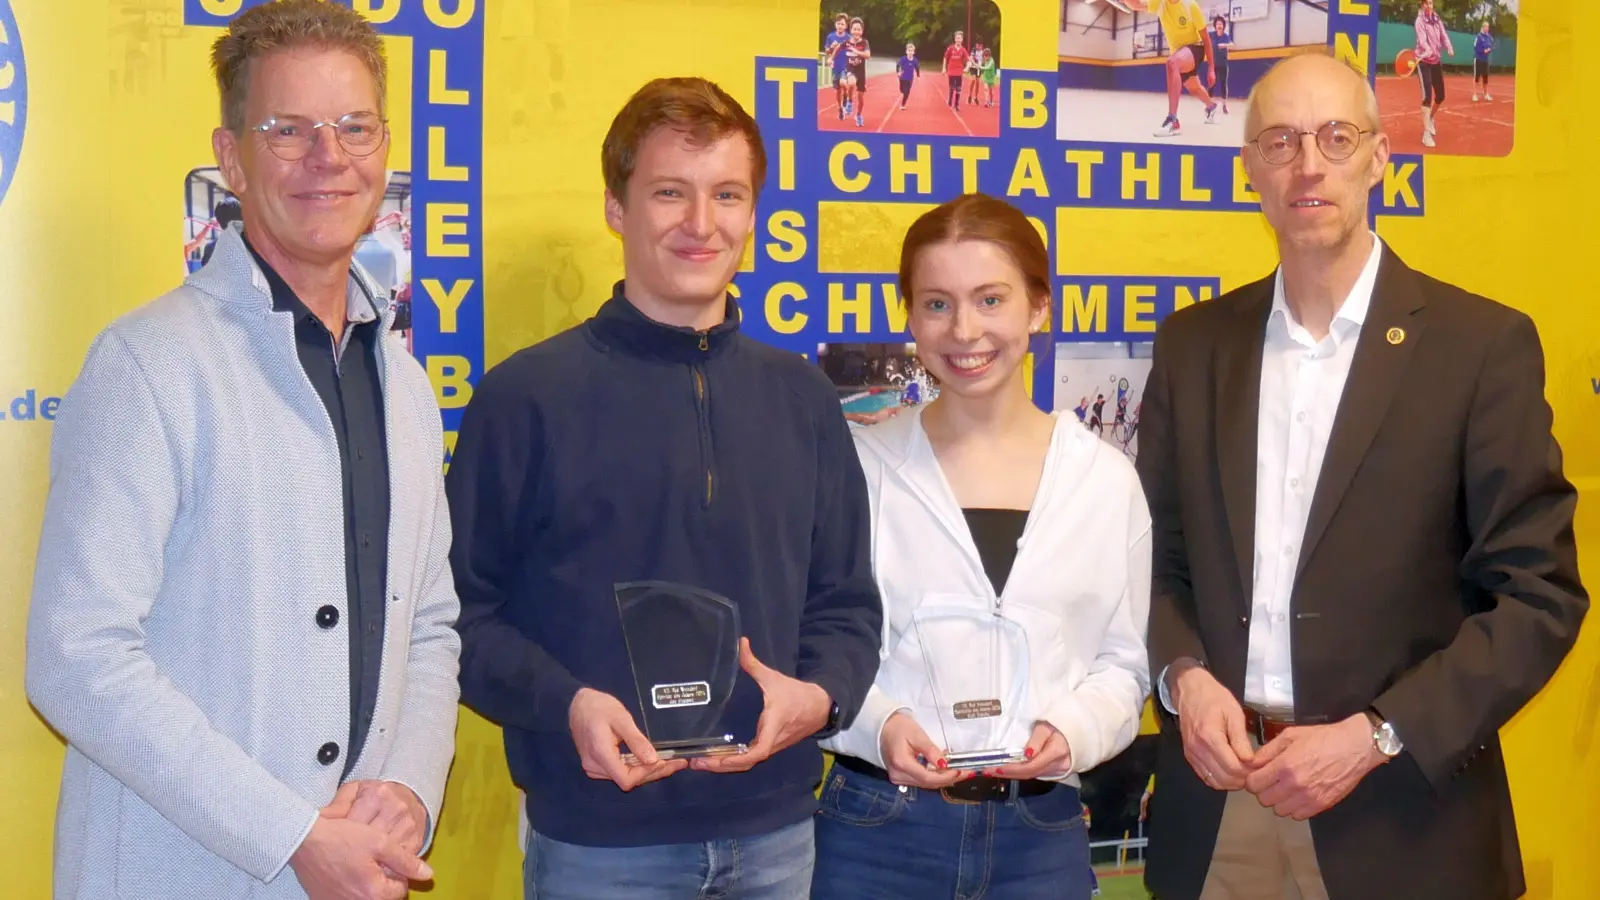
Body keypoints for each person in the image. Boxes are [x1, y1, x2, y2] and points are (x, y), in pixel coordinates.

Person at [24, 3, 462, 899]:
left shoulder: (406, 387)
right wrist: (292, 835)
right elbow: (77, 657)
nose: (327, 156)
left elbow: (429, 625)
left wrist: (410, 792)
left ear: (384, 149)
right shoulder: (147, 364)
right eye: (287, 129)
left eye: (353, 127)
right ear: (231, 158)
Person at [1137, 52, 1587, 900]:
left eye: (1335, 137)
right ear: (1250, 169)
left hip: (1404, 816)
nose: (1308, 164)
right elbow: (1153, 561)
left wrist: (1379, 735)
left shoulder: (1480, 347)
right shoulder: (1193, 348)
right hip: (1219, 812)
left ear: (1380, 157)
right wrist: (1182, 679)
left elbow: (1539, 597)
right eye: (1280, 141)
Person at [445, 76, 884, 900]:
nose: (701, 223)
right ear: (617, 207)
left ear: (754, 215)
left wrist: (821, 695)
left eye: (727, 194)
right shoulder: (525, 398)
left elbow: (847, 603)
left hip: (778, 835)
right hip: (600, 845)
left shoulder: (803, 399)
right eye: (669, 193)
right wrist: (567, 703)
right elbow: (459, 616)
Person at [810, 193, 1151, 900]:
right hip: (876, 833)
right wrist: (880, 727)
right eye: (937, 304)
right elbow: (814, 642)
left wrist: (1074, 730)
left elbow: (1125, 663)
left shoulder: (1104, 480)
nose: (965, 330)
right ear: (909, 314)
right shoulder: (859, 469)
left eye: (990, 299)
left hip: (1040, 837)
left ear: (1038, 307)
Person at [1131, 0, 1217, 137]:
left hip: (1195, 47)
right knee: (1195, 88)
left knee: (1172, 63)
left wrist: (1211, 68)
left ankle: (1172, 120)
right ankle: (1211, 106)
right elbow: (1135, 5)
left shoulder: (1190, 5)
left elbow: (1206, 38)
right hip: (1179, 54)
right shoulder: (1159, 3)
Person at [1414, 0, 1453, 147]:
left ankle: (1430, 118)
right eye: (1427, 3)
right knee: (1427, 98)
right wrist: (1427, 49)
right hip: (1423, 61)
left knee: (1441, 95)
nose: (1429, 6)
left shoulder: (1436, 19)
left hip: (1436, 61)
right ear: (1422, 4)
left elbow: (1443, 36)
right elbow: (1422, 40)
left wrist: (1448, 47)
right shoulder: (1419, 21)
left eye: (1431, 3)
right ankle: (1426, 134)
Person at [843, 17, 871, 127]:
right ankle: (849, 102)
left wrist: (856, 51)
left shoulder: (864, 42)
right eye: (854, 29)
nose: (856, 31)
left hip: (861, 71)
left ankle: (858, 115)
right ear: (850, 30)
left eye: (859, 29)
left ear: (862, 31)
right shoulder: (846, 43)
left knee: (861, 99)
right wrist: (831, 56)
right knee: (851, 83)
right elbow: (837, 50)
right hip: (850, 68)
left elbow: (868, 55)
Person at [824, 13, 851, 117]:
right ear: (835, 24)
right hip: (835, 67)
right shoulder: (831, 36)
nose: (840, 26)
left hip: (846, 66)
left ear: (846, 26)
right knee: (837, 90)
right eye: (838, 23)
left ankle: (846, 96)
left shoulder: (849, 37)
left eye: (842, 24)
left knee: (843, 83)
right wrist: (831, 47)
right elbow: (827, 51)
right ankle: (840, 108)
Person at [1210, 16, 1233, 114]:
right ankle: (1209, 105)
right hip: (1213, 64)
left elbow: (1232, 45)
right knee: (1212, 84)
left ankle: (1224, 105)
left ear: (1223, 26)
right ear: (1215, 26)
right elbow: (1203, 39)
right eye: (1217, 24)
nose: (1219, 26)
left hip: (1223, 64)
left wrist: (1224, 45)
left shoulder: (1226, 36)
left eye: (1221, 24)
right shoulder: (1211, 35)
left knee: (1223, 84)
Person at [944, 31, 969, 110]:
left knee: (958, 88)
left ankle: (956, 104)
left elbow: (968, 60)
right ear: (955, 39)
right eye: (957, 38)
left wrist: (967, 67)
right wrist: (944, 68)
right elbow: (945, 58)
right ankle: (950, 98)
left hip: (959, 71)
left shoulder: (963, 50)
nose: (958, 40)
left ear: (962, 39)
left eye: (959, 38)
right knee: (952, 87)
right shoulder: (950, 48)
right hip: (951, 70)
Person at [1473, 22, 1495, 102]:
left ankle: (1486, 94)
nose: (1487, 28)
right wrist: (1483, 51)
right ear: (1482, 27)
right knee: (1477, 78)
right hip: (1478, 59)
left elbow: (1492, 45)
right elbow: (1475, 47)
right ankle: (1474, 94)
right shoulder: (1478, 36)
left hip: (1485, 60)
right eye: (1486, 27)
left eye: (1488, 27)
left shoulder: (1489, 37)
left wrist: (1489, 49)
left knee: (1485, 78)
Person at [896, 42, 919, 110]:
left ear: (914, 52)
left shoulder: (915, 60)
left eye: (911, 51)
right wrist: (898, 72)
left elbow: (917, 68)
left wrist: (918, 76)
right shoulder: (903, 59)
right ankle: (903, 91)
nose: (910, 52)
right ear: (906, 51)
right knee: (902, 90)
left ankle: (903, 105)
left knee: (907, 92)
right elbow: (898, 65)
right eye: (909, 50)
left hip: (910, 79)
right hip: (902, 78)